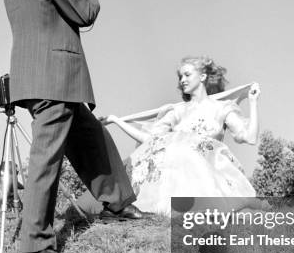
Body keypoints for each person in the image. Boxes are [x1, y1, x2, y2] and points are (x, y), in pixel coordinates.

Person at [4, 0, 142, 253]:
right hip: (56, 79)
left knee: (91, 135)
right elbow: (81, 14)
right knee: (45, 163)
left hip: (35, 80)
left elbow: (49, 13)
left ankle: (118, 202)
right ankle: (35, 250)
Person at [102, 57, 260, 215]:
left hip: (209, 173)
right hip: (177, 177)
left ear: (203, 77)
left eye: (187, 75)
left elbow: (249, 138)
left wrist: (253, 102)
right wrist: (115, 120)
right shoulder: (176, 112)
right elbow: (149, 140)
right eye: (180, 77)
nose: (182, 80)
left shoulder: (222, 108)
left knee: (185, 152)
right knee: (175, 150)